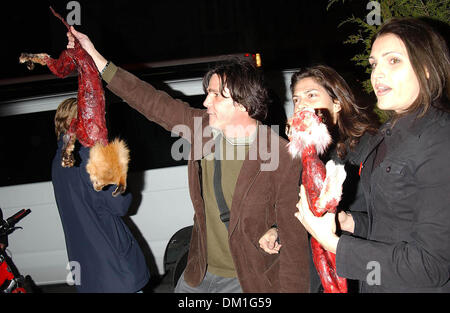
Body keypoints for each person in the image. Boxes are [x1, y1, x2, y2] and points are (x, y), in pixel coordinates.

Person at [66, 27, 310, 293]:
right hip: (199, 273)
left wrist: (274, 229)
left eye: (217, 95)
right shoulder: (202, 129)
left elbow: (293, 233)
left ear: (244, 103)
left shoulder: (281, 155)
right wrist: (94, 56)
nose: (206, 101)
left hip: (247, 280)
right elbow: (151, 101)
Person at [296, 17, 450, 292]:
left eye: (393, 61)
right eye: (374, 64)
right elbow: (392, 225)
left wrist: (336, 245)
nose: (377, 74)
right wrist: (350, 222)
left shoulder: (439, 138)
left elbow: (431, 267)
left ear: (427, 68)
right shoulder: (389, 134)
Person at [258, 65, 380, 292]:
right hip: (321, 274)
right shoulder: (309, 152)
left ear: (337, 103)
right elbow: (307, 206)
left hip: (363, 271)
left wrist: (346, 221)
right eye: (296, 99)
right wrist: (278, 230)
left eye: (311, 95)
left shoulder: (370, 147)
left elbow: (393, 224)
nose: (301, 104)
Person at [51, 98, 150, 293]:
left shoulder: (58, 161)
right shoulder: (92, 155)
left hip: (87, 271)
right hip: (115, 270)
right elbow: (121, 205)